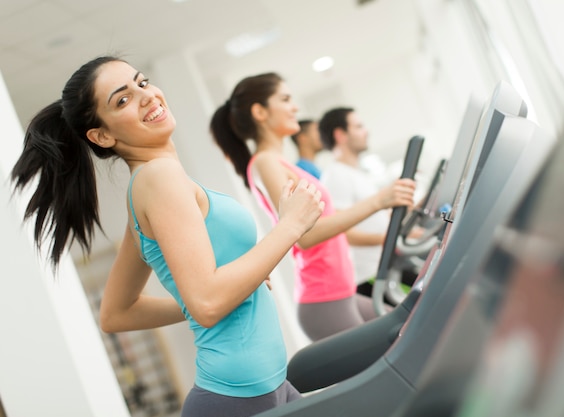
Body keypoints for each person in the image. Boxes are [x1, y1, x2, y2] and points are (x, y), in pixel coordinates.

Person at [10, 56, 324, 417]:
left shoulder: (151, 185)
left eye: (141, 83)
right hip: (237, 400)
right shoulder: (158, 179)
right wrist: (290, 226)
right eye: (122, 100)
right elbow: (207, 303)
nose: (146, 96)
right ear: (102, 135)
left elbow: (116, 312)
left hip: (268, 387)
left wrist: (234, 286)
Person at [209, 72, 416, 342]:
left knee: (411, 329)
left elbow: (326, 220)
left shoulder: (282, 163)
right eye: (285, 99)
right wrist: (378, 201)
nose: (295, 107)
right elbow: (303, 235)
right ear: (260, 111)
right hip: (324, 299)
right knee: (404, 347)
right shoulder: (265, 163)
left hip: (341, 291)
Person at [319, 107, 425, 296]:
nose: (366, 131)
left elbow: (376, 218)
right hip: (371, 275)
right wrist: (386, 239)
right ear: (340, 135)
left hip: (387, 264)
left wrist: (413, 208)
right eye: (359, 127)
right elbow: (343, 232)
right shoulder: (336, 176)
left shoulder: (358, 173)